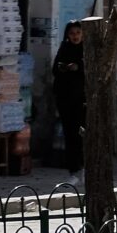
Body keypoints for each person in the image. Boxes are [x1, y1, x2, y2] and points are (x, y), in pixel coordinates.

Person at [52, 19, 88, 171]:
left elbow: (90, 70)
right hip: (65, 97)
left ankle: (84, 161)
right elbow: (55, 69)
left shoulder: (86, 50)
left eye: (78, 33)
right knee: (69, 131)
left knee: (83, 131)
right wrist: (64, 68)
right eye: (72, 33)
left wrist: (78, 67)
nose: (75, 36)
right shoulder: (64, 48)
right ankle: (73, 166)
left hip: (82, 98)